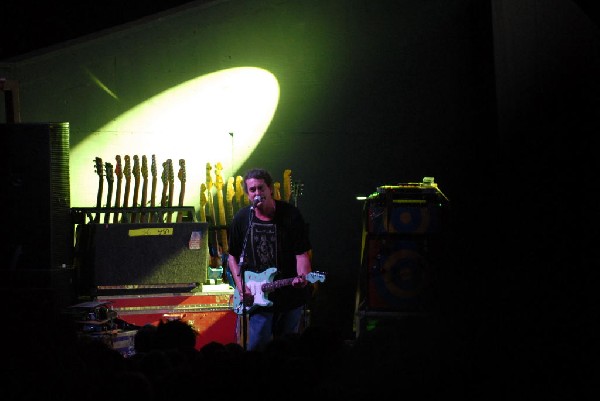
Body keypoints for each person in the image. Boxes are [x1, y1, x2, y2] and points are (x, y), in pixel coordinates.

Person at [227, 168, 312, 351]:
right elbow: (232, 257)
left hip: (289, 293)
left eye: (261, 188)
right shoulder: (242, 219)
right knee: (258, 345)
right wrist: (241, 286)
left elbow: (301, 253)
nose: (257, 193)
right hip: (258, 295)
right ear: (247, 194)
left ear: (270, 189)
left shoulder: (291, 215)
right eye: (253, 190)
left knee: (288, 347)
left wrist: (303, 276)